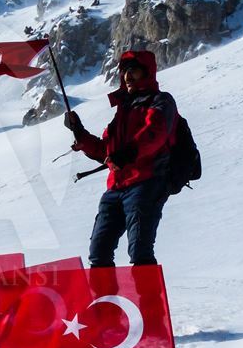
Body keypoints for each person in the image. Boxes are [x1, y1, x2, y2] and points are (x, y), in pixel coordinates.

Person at [64, 50, 177, 267]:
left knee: (140, 252)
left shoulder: (160, 101)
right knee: (98, 253)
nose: (127, 76)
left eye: (133, 71)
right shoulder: (123, 111)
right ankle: (105, 300)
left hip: (146, 182)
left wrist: (128, 153)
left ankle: (148, 301)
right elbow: (106, 150)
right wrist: (80, 133)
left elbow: (155, 133)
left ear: (147, 72)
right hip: (116, 188)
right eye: (125, 71)